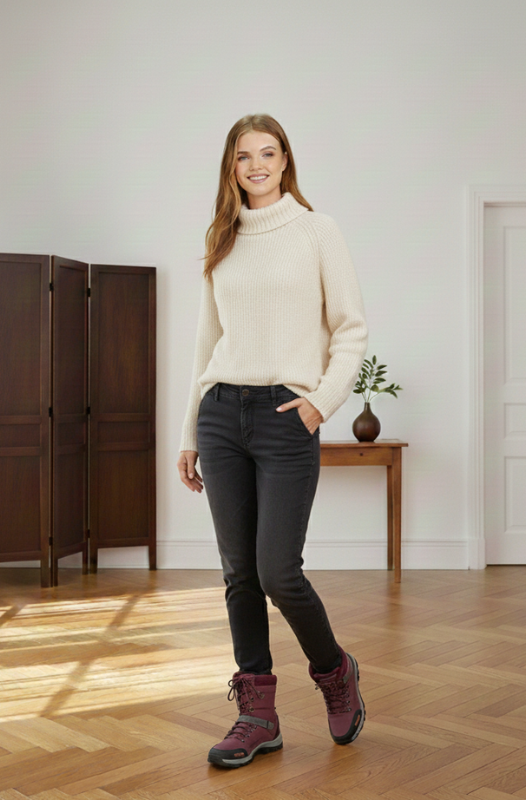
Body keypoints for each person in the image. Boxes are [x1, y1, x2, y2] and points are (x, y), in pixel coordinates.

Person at [177, 113, 369, 769]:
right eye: (243, 156)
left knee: (277, 572)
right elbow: (207, 344)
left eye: (268, 153)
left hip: (287, 415)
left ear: (286, 161)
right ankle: (257, 715)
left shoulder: (318, 231)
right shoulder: (220, 238)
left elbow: (350, 330)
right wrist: (189, 432)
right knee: (238, 575)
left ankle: (334, 670)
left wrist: (319, 404)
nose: (256, 165)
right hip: (222, 413)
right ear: (230, 168)